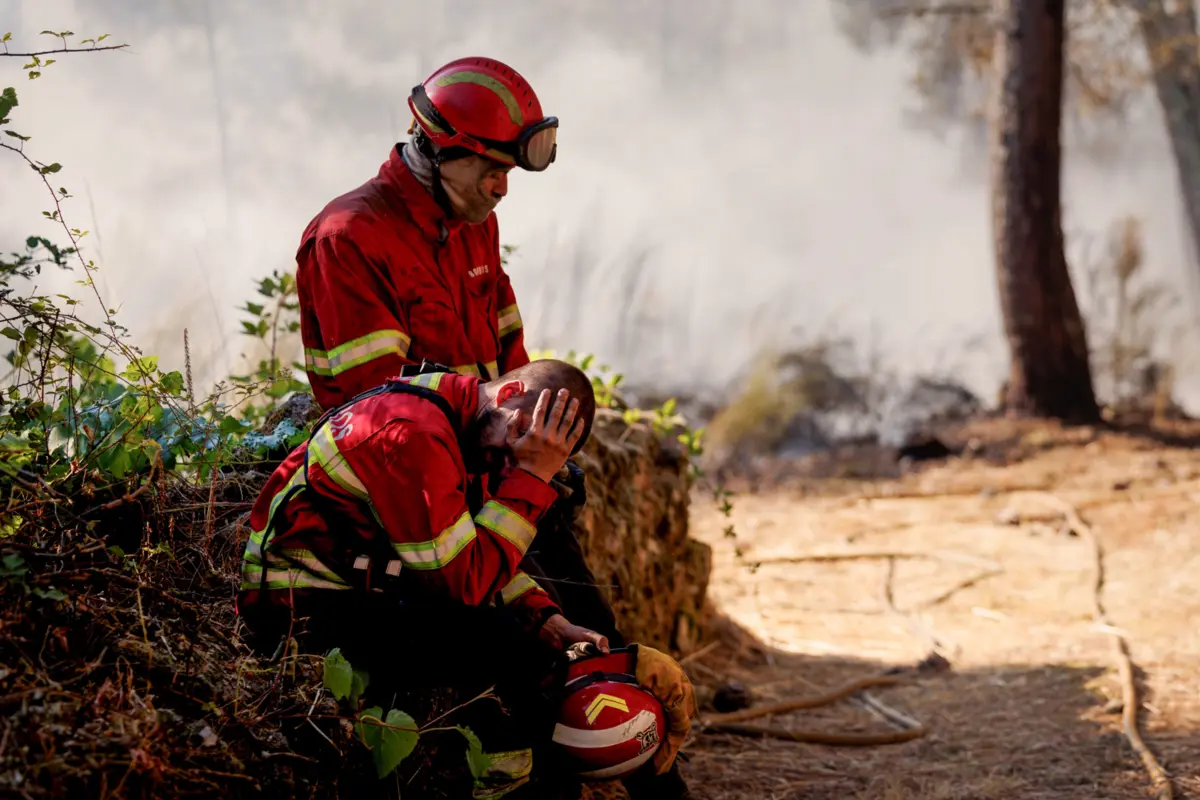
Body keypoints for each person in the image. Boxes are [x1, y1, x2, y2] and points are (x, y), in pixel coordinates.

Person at [234, 360, 698, 799]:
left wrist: (548, 621)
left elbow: (478, 555)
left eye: (534, 456)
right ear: (510, 393)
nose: (509, 465)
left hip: (368, 584)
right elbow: (465, 583)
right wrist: (534, 475)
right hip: (300, 605)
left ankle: (534, 781)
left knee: (534, 633)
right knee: (499, 643)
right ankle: (520, 788)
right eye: (521, 439)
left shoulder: (463, 420)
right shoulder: (413, 434)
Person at [294, 55, 557, 412]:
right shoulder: (348, 238)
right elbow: (381, 402)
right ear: (442, 150)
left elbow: (510, 356)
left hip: (478, 446)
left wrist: (527, 423)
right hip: (398, 455)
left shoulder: (475, 223)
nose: (502, 189)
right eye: (492, 171)